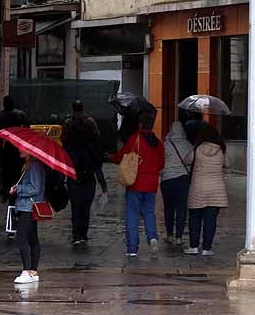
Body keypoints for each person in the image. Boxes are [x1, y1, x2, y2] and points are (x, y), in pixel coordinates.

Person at [110, 112, 165, 257]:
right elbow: (161, 164)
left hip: (135, 183)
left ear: (140, 125)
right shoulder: (158, 143)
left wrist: (110, 157)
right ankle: (152, 237)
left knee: (132, 214)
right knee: (149, 213)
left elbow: (121, 157)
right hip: (152, 185)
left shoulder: (135, 139)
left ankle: (132, 248)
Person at [62, 100, 107, 245]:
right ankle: (83, 234)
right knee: (86, 206)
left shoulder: (68, 123)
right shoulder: (91, 122)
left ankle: (76, 235)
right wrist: (103, 183)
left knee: (75, 206)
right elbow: (97, 141)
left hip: (73, 167)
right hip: (89, 167)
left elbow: (64, 142)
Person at [184, 125, 229, 256]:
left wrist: (194, 150)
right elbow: (228, 164)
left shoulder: (197, 148)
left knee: (194, 218)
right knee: (211, 220)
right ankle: (206, 248)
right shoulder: (221, 149)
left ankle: (193, 246)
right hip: (216, 190)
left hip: (198, 188)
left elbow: (186, 160)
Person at [0, 95, 27, 237]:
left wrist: (1, 146)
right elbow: (27, 131)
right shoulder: (20, 115)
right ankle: (17, 218)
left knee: (9, 185)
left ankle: (12, 220)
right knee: (18, 185)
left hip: (6, 155)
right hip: (17, 155)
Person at [11, 150, 46, 284]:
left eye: (22, 148)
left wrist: (18, 188)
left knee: (22, 238)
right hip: (28, 206)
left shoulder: (34, 166)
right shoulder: (30, 165)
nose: (19, 150)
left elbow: (35, 188)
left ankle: (26, 271)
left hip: (28, 207)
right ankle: (33, 271)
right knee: (32, 238)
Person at [161, 121, 193, 247]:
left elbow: (160, 161)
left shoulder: (165, 145)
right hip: (183, 180)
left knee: (168, 208)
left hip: (167, 180)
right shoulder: (188, 145)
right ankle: (179, 236)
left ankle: (169, 235)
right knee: (181, 208)